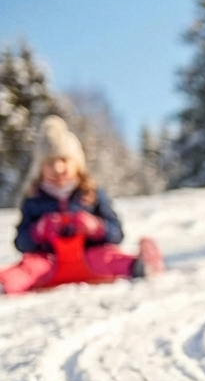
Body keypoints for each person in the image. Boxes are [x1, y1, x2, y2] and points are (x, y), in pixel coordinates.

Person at [0, 116, 164, 295]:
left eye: (64, 160)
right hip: (48, 260)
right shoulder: (33, 200)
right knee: (28, 267)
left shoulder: (92, 194)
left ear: (77, 163)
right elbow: (20, 242)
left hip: (89, 256)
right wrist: (38, 231)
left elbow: (117, 233)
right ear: (39, 168)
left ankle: (140, 266)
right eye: (50, 163)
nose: (58, 168)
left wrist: (96, 227)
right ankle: (5, 283)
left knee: (108, 257)